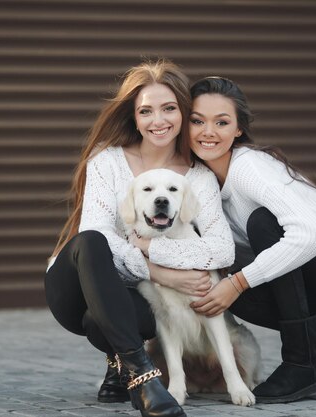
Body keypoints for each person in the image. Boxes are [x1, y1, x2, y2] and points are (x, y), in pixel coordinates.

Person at [187, 76, 316, 404]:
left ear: (238, 129)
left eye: (221, 122)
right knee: (220, 274)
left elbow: (309, 236)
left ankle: (301, 361)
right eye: (197, 121)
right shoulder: (203, 182)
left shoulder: (249, 167)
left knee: (263, 224)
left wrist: (238, 282)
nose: (208, 132)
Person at [44, 61, 235, 417]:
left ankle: (118, 359)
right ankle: (141, 375)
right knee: (91, 242)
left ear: (183, 112)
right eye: (146, 111)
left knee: (118, 319)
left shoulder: (197, 178)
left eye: (168, 109)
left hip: (122, 303)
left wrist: (154, 250)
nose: (158, 121)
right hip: (74, 289)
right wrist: (158, 271)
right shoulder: (107, 160)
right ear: (133, 117)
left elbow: (222, 248)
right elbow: (97, 232)